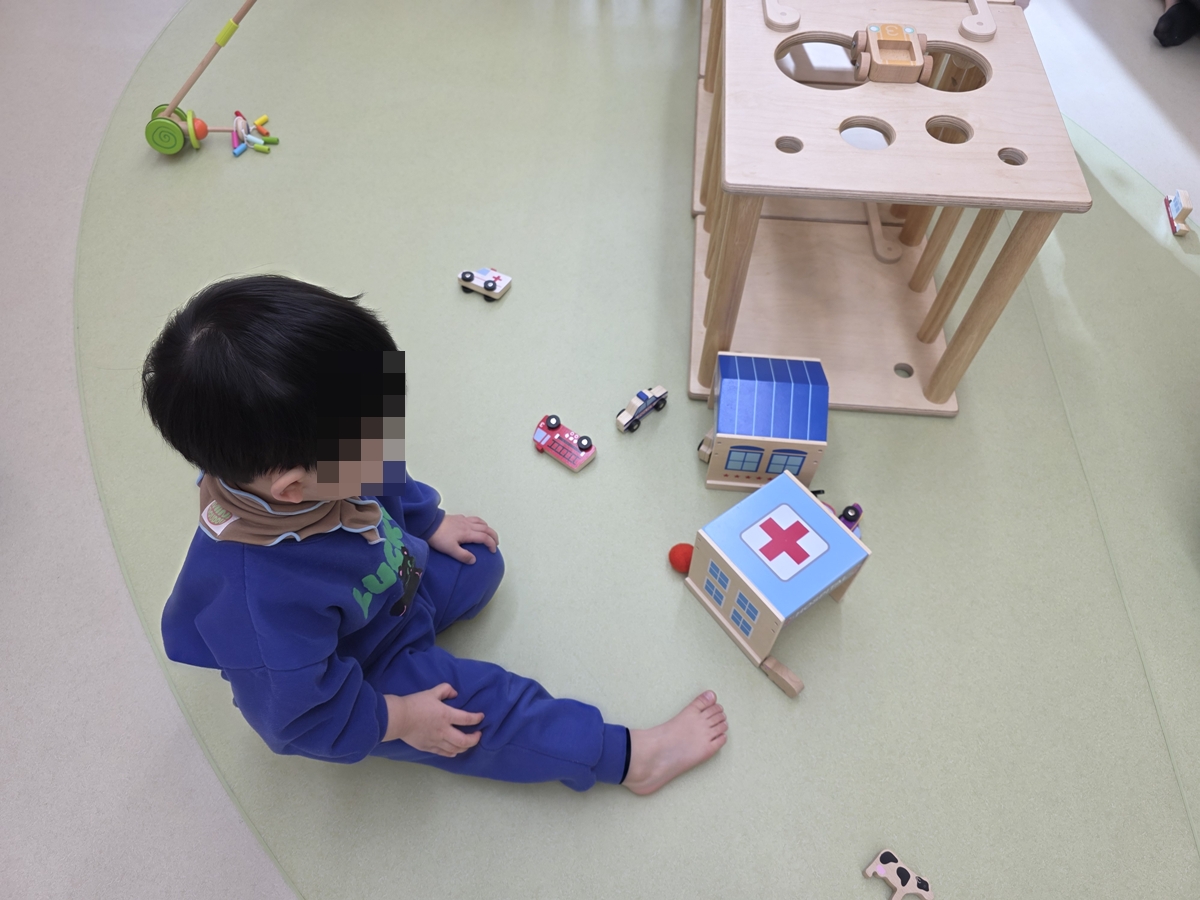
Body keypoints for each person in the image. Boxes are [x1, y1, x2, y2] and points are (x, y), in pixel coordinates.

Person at [142, 274, 727, 794]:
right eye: (372, 436)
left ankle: (422, 617)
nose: (389, 440)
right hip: (362, 673)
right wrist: (401, 719)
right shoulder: (256, 604)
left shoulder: (308, 470)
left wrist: (429, 522)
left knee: (480, 561)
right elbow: (300, 721)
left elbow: (385, 481)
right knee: (481, 712)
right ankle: (628, 759)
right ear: (293, 488)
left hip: (390, 589)